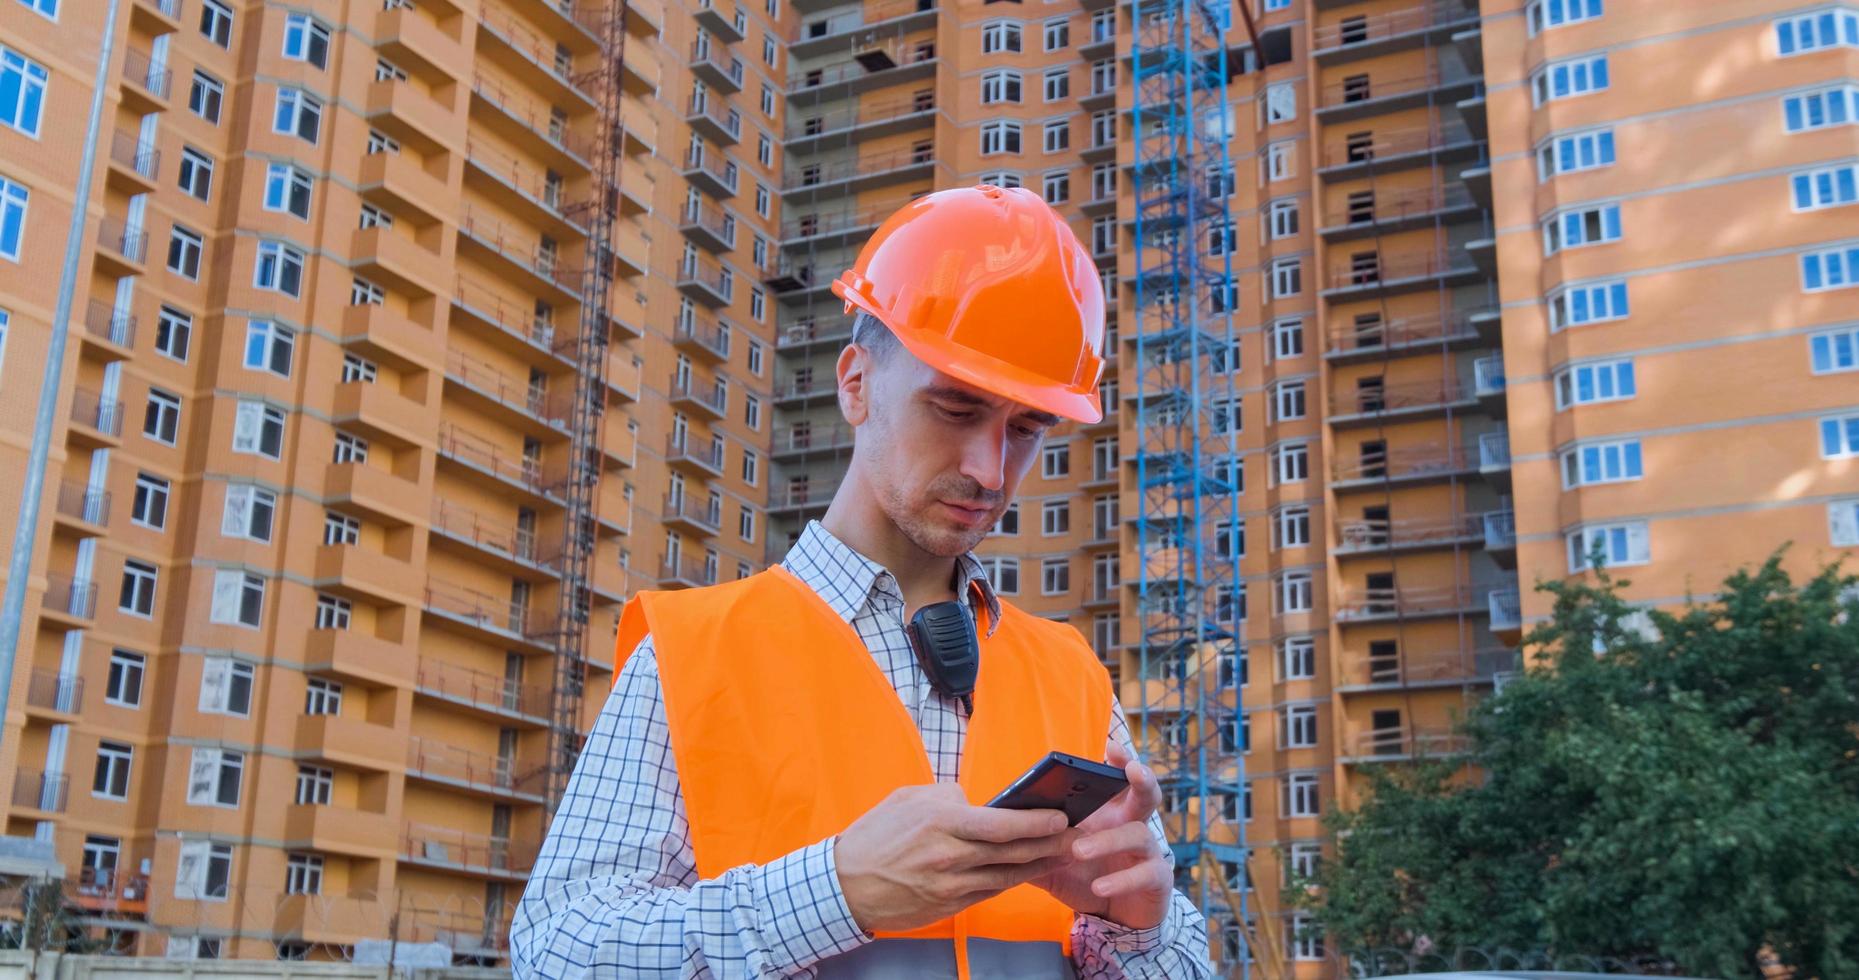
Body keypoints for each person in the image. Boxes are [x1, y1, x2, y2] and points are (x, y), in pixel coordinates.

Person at [511, 185, 1212, 978]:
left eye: (1024, 429)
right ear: (855, 383)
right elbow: (558, 953)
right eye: (954, 409)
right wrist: (836, 892)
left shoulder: (1072, 676)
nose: (989, 469)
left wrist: (1134, 935)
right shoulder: (695, 655)